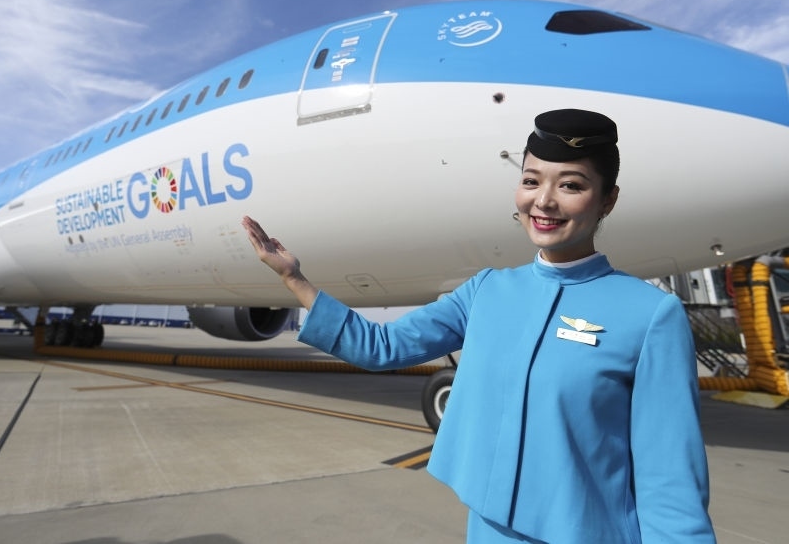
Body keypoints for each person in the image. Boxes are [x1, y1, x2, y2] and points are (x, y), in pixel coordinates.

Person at [241, 109, 715, 544]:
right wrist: (294, 279)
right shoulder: (487, 290)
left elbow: (670, 478)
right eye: (531, 180)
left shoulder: (650, 315)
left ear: (608, 200)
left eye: (571, 185)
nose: (543, 201)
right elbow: (383, 346)